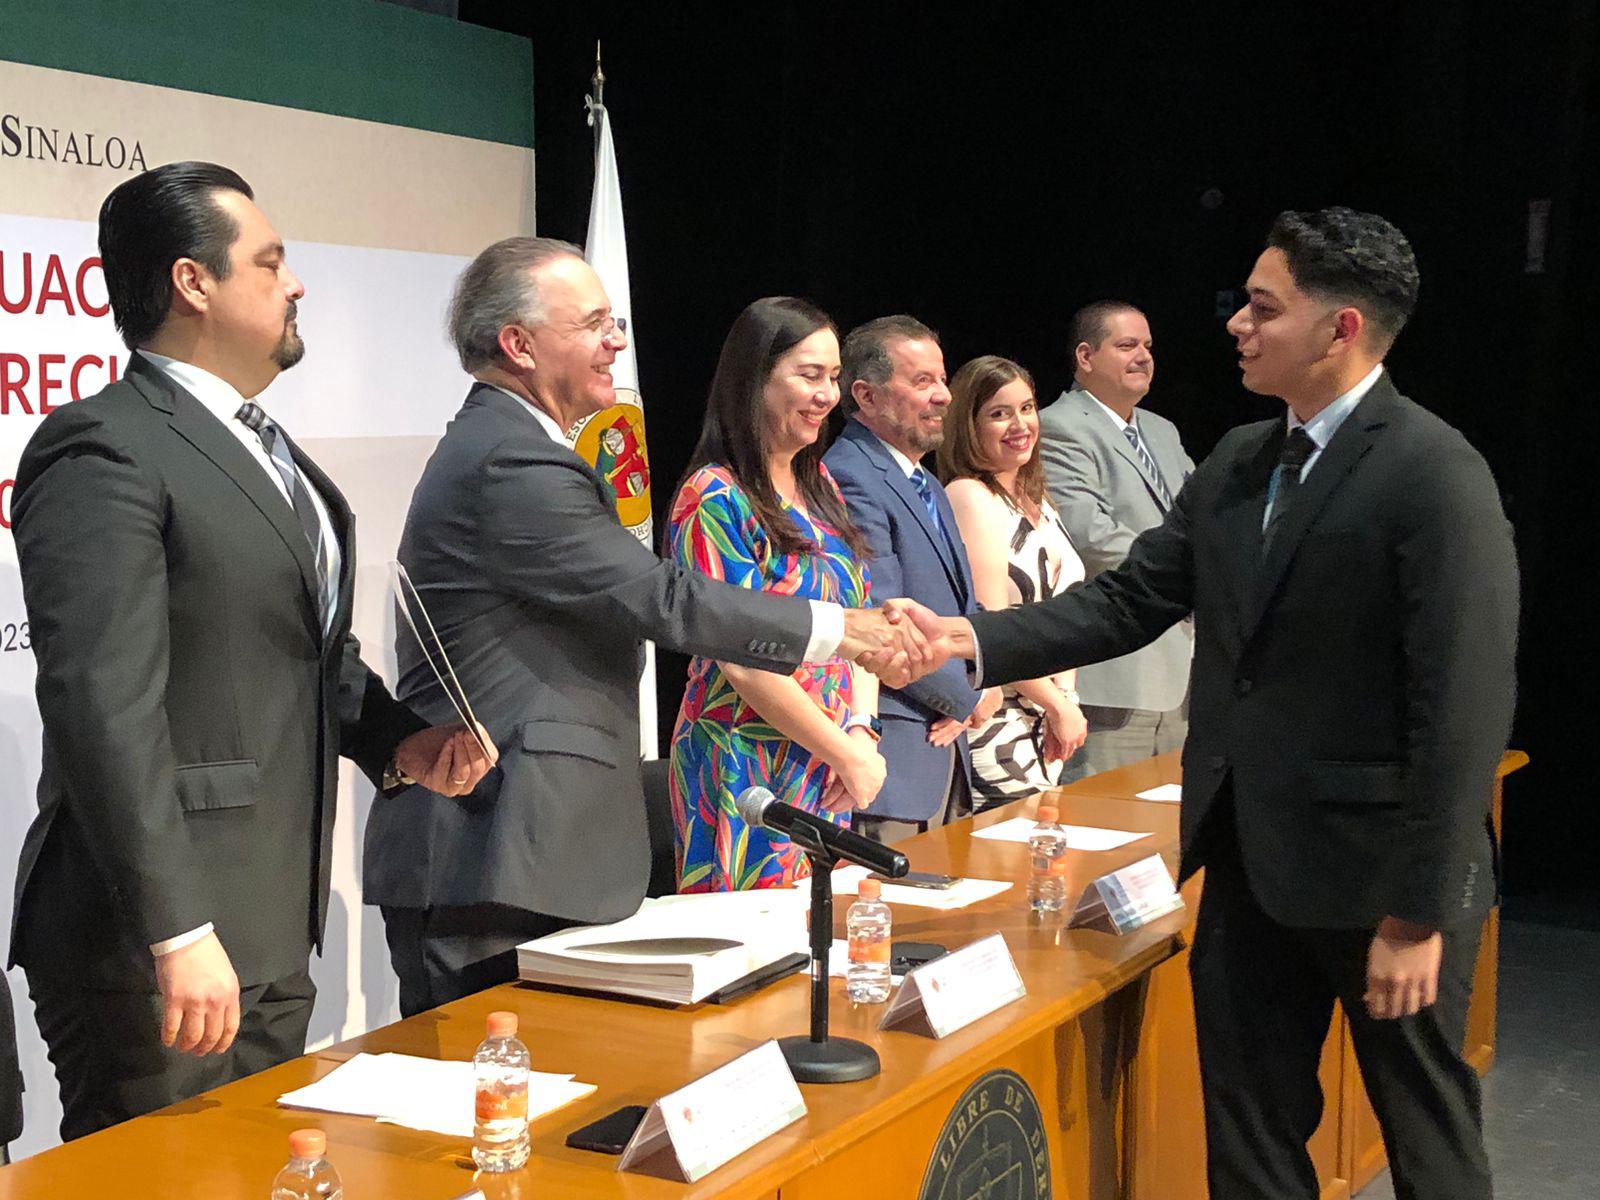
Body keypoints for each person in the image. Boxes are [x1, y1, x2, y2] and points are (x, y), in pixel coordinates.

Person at [910, 207, 1518, 1200]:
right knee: (1247, 1136)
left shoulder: (1434, 474)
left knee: (1427, 1137)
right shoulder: (1237, 461)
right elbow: (1126, 601)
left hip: (1381, 884)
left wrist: (1417, 911)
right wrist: (973, 639)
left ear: (1341, 328)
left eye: (1262, 306)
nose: (1236, 323)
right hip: (1246, 865)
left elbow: (1462, 708)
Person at [7, 162, 492, 1140]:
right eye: (271, 262)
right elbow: (103, 700)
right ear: (194, 282)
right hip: (156, 942)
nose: (296, 283)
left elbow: (306, 654)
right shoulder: (100, 445)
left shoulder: (262, 448)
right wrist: (177, 928)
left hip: (269, 922)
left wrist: (396, 744)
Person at [363, 241, 919, 1015]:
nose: (616, 341)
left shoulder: (523, 449)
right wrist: (838, 630)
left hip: (540, 849)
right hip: (490, 849)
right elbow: (664, 599)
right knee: (484, 1111)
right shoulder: (508, 461)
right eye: (593, 323)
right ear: (519, 345)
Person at [668, 298, 883, 891]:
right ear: (754, 379)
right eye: (809, 375)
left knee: (821, 944)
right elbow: (742, 659)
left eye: (834, 377)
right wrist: (843, 750)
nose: (828, 395)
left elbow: (862, 629)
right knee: (754, 960)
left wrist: (861, 731)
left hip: (828, 761)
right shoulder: (714, 497)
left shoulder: (824, 487)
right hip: (745, 764)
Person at [823, 316, 993, 843]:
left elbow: (968, 605)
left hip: (946, 750)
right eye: (922, 382)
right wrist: (969, 700)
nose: (944, 396)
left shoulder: (923, 479)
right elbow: (880, 620)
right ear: (866, 396)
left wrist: (987, 678)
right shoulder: (850, 474)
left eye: (941, 380)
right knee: (887, 922)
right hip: (896, 753)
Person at [1037, 301, 1194, 773]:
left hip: (1181, 674)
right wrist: (1189, 568)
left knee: (1167, 835)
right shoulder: (1058, 426)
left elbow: (1199, 519)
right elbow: (1089, 532)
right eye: (1127, 345)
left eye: (1148, 346)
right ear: (1086, 357)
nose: (1143, 356)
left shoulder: (1163, 431)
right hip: (1115, 678)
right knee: (1106, 830)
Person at [939, 356, 1088, 807]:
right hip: (1002, 716)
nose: (1019, 424)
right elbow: (995, 626)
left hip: (1050, 711)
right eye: (999, 414)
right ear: (969, 425)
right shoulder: (970, 495)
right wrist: (1057, 704)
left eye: (1026, 408)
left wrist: (1065, 700)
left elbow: (1065, 614)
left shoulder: (1037, 498)